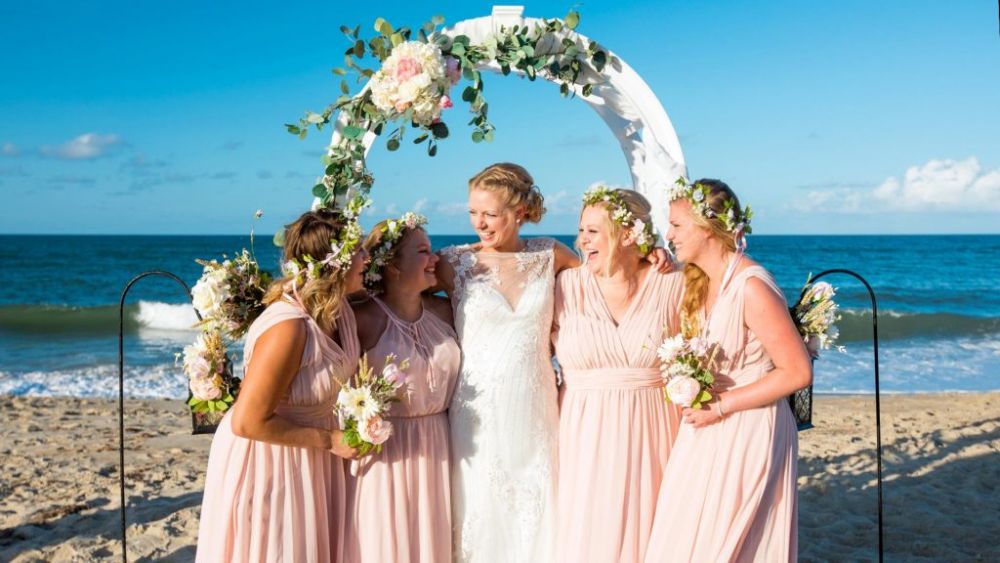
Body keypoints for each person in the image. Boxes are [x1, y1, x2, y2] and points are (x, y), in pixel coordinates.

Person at [643, 179, 812, 562]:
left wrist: (721, 406)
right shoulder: (701, 282)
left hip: (749, 427)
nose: (668, 235)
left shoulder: (751, 287)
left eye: (677, 225)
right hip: (707, 426)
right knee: (684, 533)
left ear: (707, 226)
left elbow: (797, 371)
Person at [196, 205, 366, 563]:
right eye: (360, 250)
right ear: (335, 264)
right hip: (272, 458)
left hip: (313, 460)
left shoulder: (340, 310)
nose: (369, 257)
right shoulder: (289, 329)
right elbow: (248, 421)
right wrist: (330, 440)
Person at [552, 186, 684, 562]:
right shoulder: (565, 286)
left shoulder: (673, 282)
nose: (581, 241)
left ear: (628, 234)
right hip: (583, 432)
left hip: (657, 429)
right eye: (581, 231)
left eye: (593, 231)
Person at [344, 212, 461, 562]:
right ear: (392, 266)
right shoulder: (362, 318)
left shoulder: (447, 311)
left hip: (442, 446)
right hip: (388, 454)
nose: (435, 258)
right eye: (423, 251)